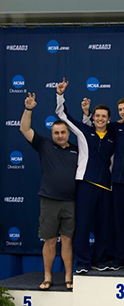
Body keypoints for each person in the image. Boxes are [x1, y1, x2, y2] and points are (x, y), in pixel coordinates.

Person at [55, 78, 115, 274]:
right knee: (82, 226)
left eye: (103, 116)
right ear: (93, 117)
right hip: (86, 184)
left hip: (106, 186)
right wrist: (60, 94)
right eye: (97, 116)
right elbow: (62, 115)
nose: (99, 119)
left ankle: (100, 260)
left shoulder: (114, 137)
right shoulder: (84, 131)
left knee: (103, 227)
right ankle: (82, 262)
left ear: (108, 119)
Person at [20, 92, 78, 290]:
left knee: (68, 241)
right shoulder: (44, 145)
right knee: (50, 240)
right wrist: (28, 109)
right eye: (56, 133)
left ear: (68, 133)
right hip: (49, 201)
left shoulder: (78, 150)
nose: (60, 136)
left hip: (71, 202)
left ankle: (69, 277)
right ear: (51, 134)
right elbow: (24, 129)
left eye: (63, 132)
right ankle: (47, 277)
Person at [81, 96, 124, 271]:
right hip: (116, 183)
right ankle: (119, 257)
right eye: (121, 109)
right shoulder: (114, 127)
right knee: (118, 223)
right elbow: (91, 130)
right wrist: (86, 113)